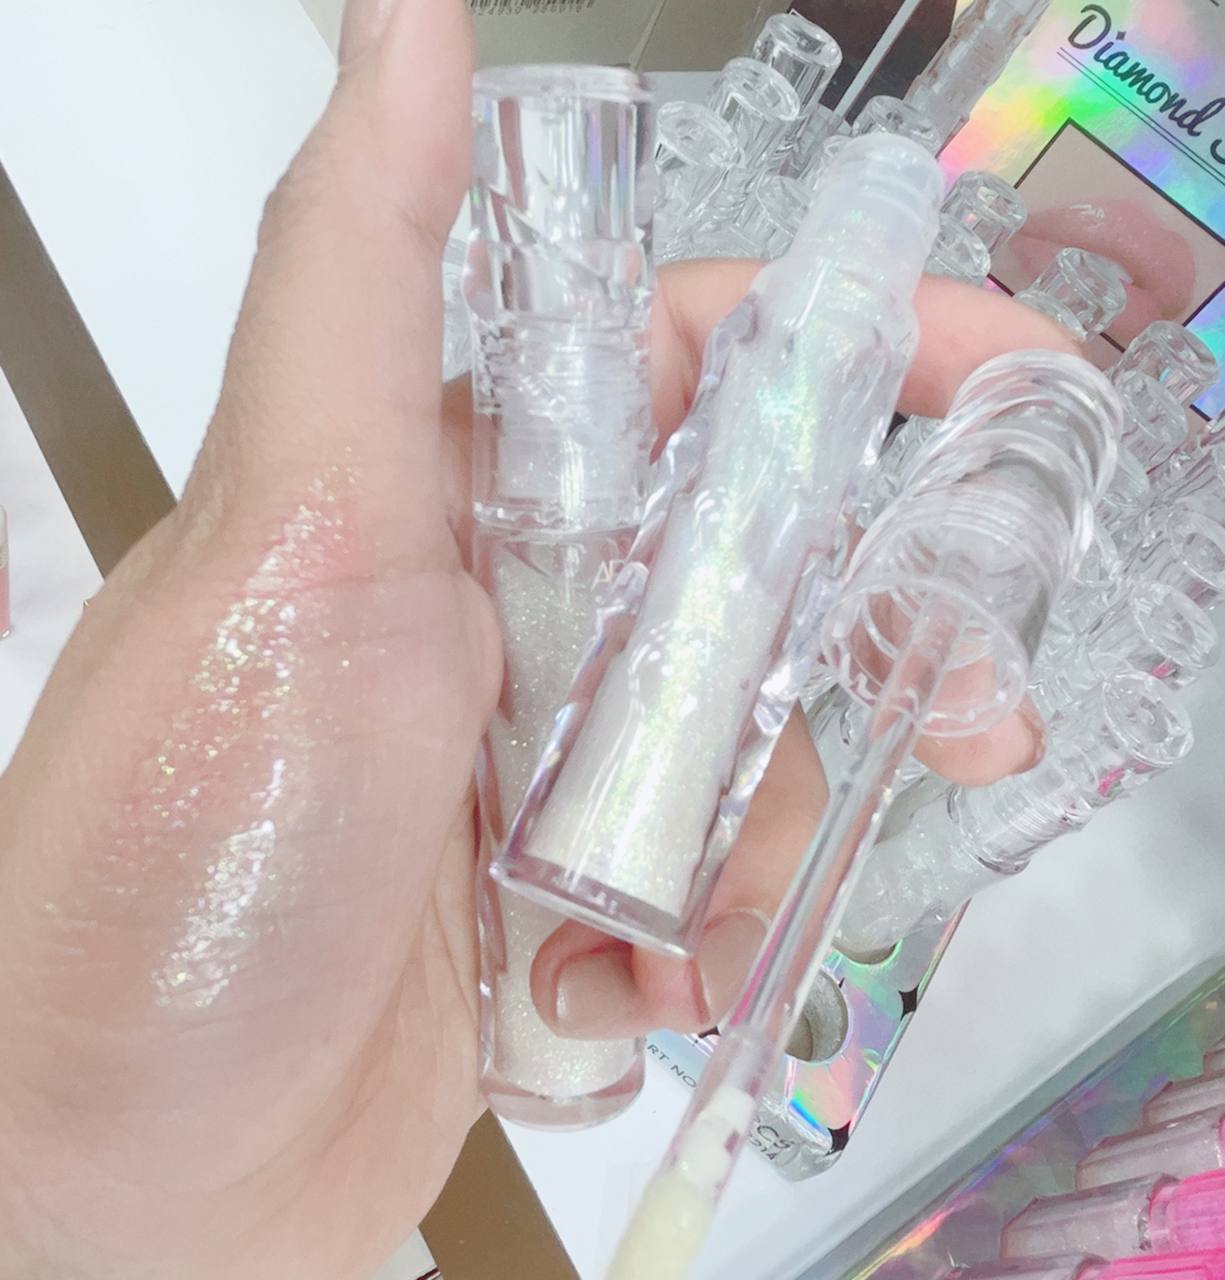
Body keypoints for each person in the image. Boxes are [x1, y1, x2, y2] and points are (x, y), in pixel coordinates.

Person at [0, 0, 1071, 1275]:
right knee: (651, 660)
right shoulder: (623, 383)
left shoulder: (849, 339)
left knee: (700, 666)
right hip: (173, 1137)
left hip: (186, 1168)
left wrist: (60, 1200)